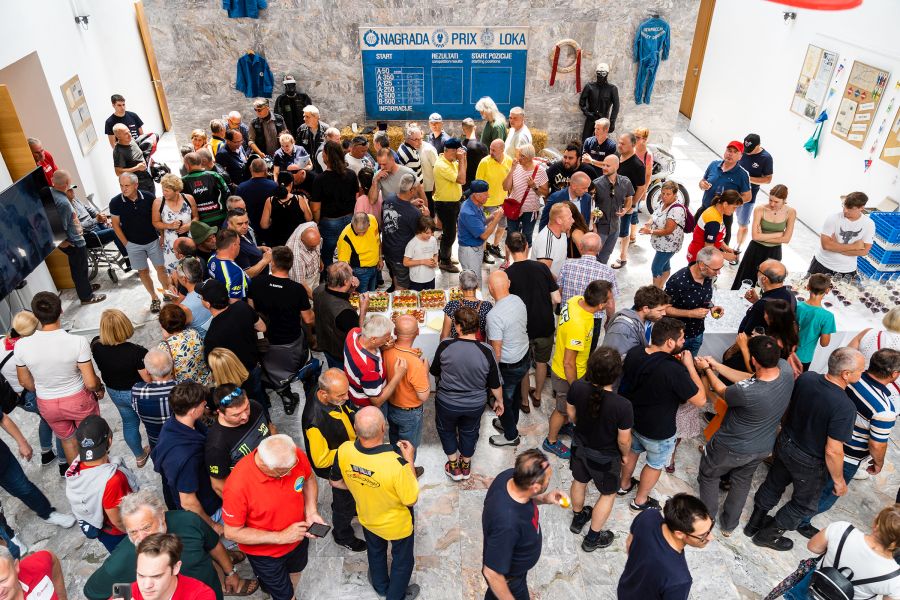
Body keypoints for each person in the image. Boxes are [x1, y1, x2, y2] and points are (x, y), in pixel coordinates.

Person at [746, 348, 864, 551]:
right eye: (861, 370)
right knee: (804, 504)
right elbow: (833, 450)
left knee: (773, 483)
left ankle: (753, 524)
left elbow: (788, 407)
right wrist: (838, 480)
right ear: (846, 374)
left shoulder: (807, 378)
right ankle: (767, 536)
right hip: (809, 459)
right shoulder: (845, 407)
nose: (863, 373)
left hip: (786, 442)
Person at [694, 335, 794, 536]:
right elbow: (749, 378)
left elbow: (722, 390)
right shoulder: (785, 369)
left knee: (709, 475)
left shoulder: (747, 393)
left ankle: (708, 520)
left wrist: (706, 369)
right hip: (762, 447)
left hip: (731, 446)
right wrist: (717, 366)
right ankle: (729, 526)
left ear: (753, 360)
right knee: (742, 481)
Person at [797, 348, 900, 537]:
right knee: (828, 493)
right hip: (846, 455)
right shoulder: (884, 408)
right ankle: (801, 520)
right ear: (894, 374)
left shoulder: (850, 377)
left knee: (815, 482)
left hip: (820, 438)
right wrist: (878, 462)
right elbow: (877, 444)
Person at [84, 490, 252, 600]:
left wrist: (230, 573)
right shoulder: (121, 559)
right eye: (133, 532)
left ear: (161, 517)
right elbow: (94, 591)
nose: (141, 538)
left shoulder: (188, 521)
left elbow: (213, 545)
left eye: (146, 527)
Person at [331, 407, 420, 600]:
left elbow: (335, 482)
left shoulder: (344, 450)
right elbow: (411, 499)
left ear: (355, 428)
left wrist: (361, 486)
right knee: (402, 561)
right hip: (398, 526)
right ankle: (395, 596)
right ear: (383, 427)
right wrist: (409, 460)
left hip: (368, 517)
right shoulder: (397, 464)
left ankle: (380, 586)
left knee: (376, 552)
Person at [222, 433, 324, 600]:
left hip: (298, 539)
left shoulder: (291, 456)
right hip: (267, 555)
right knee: (284, 595)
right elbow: (232, 532)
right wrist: (281, 537)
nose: (291, 473)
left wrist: (311, 511)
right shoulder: (237, 487)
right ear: (265, 465)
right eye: (284, 472)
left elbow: (309, 479)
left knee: (295, 572)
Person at [617, 317, 705, 511]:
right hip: (659, 429)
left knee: (632, 452)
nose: (684, 342)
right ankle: (640, 501)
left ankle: (623, 485)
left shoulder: (635, 352)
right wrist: (690, 367)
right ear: (670, 342)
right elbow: (700, 400)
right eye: (681, 339)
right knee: (654, 464)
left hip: (633, 419)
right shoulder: (674, 369)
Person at [14, 292, 103, 465]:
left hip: (47, 404)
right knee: (92, 439)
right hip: (77, 399)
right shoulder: (77, 341)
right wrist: (100, 387)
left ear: (36, 316)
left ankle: (78, 477)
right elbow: (91, 383)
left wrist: (44, 388)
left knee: (68, 442)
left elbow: (24, 381)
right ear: (61, 310)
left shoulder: (21, 345)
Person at [566, 348, 634, 551]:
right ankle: (592, 539)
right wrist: (625, 455)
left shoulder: (577, 387)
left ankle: (578, 518)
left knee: (579, 481)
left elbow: (571, 414)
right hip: (605, 458)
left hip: (580, 447)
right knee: (608, 494)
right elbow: (624, 440)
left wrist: (581, 425)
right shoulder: (623, 405)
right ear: (617, 374)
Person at [481, 449, 567, 600]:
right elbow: (491, 573)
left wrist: (545, 498)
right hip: (510, 582)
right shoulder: (507, 523)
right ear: (535, 487)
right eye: (548, 479)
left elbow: (526, 495)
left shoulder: (509, 477)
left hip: (518, 572)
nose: (549, 481)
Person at [544, 280, 615, 459]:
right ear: (601, 305)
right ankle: (551, 441)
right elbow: (569, 362)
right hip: (565, 374)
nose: (611, 301)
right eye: (609, 299)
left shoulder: (576, 300)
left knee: (567, 409)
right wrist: (576, 386)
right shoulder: (578, 325)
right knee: (562, 410)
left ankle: (565, 426)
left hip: (570, 366)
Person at [431, 307, 503, 480]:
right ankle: (466, 465)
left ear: (457, 326)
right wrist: (499, 401)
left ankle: (453, 466)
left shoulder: (445, 345)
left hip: (447, 402)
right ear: (477, 327)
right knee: (470, 431)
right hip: (475, 404)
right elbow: (494, 383)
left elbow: (435, 371)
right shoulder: (487, 350)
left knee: (446, 430)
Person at [300, 369, 367, 552]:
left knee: (350, 496)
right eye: (341, 395)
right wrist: (350, 449)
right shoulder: (314, 423)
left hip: (347, 454)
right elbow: (321, 461)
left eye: (346, 391)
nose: (347, 397)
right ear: (324, 394)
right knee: (343, 502)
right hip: (338, 469)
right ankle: (342, 535)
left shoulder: (327, 394)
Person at [782, 505, 900, 600]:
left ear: (876, 524)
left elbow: (813, 547)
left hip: (810, 588)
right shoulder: (894, 577)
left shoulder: (842, 530)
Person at [152, 382, 222, 534]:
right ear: (193, 411)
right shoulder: (186, 456)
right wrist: (213, 526)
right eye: (203, 404)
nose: (205, 405)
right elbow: (188, 502)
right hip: (209, 511)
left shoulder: (175, 423)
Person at [616, 494, 713, 599]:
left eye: (711, 527)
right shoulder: (679, 579)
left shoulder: (648, 515)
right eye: (703, 535)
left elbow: (629, 543)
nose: (711, 537)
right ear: (679, 534)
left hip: (624, 590)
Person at [505, 232, 560, 414]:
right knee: (542, 362)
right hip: (545, 325)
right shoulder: (542, 268)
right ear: (527, 246)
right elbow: (557, 298)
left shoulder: (507, 275)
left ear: (508, 249)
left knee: (524, 366)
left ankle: (524, 402)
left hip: (522, 329)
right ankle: (537, 396)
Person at [65, 416, 138, 552]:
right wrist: (136, 535)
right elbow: (117, 521)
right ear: (109, 440)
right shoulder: (113, 480)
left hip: (102, 530)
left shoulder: (77, 464)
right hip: (118, 534)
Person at [1, 312, 64, 468]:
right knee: (60, 423)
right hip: (30, 394)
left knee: (46, 419)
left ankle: (47, 453)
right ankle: (65, 464)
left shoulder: (2, 342)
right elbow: (34, 379)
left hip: (16, 397)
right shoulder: (24, 352)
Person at [91, 310, 150, 466]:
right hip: (137, 393)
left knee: (129, 423)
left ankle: (139, 457)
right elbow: (147, 378)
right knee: (150, 423)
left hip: (114, 392)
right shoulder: (137, 352)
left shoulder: (96, 346)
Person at [110, 173, 170, 313]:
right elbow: (115, 225)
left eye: (127, 185)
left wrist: (162, 236)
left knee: (161, 269)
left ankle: (167, 293)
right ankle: (154, 298)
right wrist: (126, 244)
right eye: (121, 185)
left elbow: (159, 218)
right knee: (143, 271)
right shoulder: (115, 202)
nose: (123, 189)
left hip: (153, 240)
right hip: (133, 244)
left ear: (136, 185)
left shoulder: (149, 197)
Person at [200, 280, 267, 406]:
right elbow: (262, 328)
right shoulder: (242, 306)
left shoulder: (211, 336)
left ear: (208, 304)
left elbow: (213, 367)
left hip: (235, 379)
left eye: (201, 297)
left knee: (244, 405)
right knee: (259, 399)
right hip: (254, 366)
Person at [486, 271, 530, 447]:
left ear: (490, 289)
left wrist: (492, 377)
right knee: (515, 396)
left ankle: (511, 436)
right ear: (509, 283)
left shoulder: (494, 315)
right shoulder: (518, 300)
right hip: (524, 356)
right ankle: (510, 423)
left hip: (508, 365)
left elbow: (496, 352)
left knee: (502, 400)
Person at [205, 384, 273, 498]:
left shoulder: (255, 406)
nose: (245, 416)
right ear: (220, 412)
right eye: (236, 414)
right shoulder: (216, 445)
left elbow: (270, 427)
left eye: (246, 408)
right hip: (254, 494)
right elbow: (218, 485)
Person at [48, 171, 106, 305]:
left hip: (72, 240)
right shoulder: (63, 203)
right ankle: (86, 296)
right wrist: (62, 242)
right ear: (67, 184)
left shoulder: (51, 193)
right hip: (74, 242)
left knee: (78, 269)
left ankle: (84, 288)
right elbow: (60, 226)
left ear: (52, 181)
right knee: (81, 269)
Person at [557, 233, 619, 352]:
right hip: (592, 320)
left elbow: (558, 293)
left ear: (580, 247)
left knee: (564, 350)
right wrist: (609, 320)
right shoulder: (607, 272)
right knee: (586, 353)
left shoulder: (566, 265)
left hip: (568, 316)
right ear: (599, 248)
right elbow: (610, 303)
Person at [382, 316, 430, 461]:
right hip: (409, 413)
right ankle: (408, 471)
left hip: (391, 407)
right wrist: (425, 371)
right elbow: (423, 396)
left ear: (395, 332)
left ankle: (395, 466)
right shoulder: (416, 364)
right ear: (418, 332)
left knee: (395, 441)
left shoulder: (385, 350)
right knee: (408, 448)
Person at [731, 185, 795, 289]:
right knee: (745, 279)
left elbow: (786, 239)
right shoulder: (760, 209)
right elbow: (755, 237)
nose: (772, 204)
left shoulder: (791, 212)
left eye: (776, 202)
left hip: (774, 252)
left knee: (768, 284)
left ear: (784, 200)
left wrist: (762, 236)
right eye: (770, 200)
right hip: (755, 250)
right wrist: (778, 234)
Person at [664, 246, 725, 355]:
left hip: (698, 333)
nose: (718, 273)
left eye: (721, 268)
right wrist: (690, 313)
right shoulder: (678, 281)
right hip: (678, 337)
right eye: (716, 269)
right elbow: (664, 309)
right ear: (702, 265)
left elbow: (704, 298)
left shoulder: (708, 276)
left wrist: (711, 307)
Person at [248, 246, 313, 346]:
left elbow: (251, 310)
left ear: (272, 262)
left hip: (263, 339)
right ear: (291, 264)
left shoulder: (255, 282)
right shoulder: (297, 289)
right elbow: (308, 319)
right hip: (289, 341)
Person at [312, 141, 359, 271]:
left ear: (327, 156)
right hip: (349, 218)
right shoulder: (351, 174)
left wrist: (316, 222)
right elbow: (356, 197)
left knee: (327, 253)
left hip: (330, 221)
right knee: (350, 250)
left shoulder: (320, 179)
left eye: (323, 153)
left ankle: (330, 278)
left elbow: (315, 207)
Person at [343, 314, 407, 409]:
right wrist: (398, 375)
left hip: (355, 391)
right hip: (367, 406)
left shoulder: (353, 333)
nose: (389, 339)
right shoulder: (369, 369)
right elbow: (377, 402)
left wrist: (382, 346)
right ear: (373, 339)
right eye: (387, 337)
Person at [131, 533, 216, 599]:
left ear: (176, 568)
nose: (147, 585)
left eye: (156, 576)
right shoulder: (130, 592)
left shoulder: (200, 595)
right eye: (141, 575)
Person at [809, 191, 875, 277]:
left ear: (861, 208)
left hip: (847, 270)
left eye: (850, 209)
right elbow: (826, 245)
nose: (845, 211)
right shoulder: (833, 218)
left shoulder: (869, 224)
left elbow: (864, 251)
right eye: (844, 206)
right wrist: (854, 246)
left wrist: (835, 245)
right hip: (822, 263)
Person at [698, 140, 751, 246]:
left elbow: (748, 196)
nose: (730, 154)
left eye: (735, 152)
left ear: (740, 156)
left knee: (719, 245)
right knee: (698, 240)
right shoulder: (713, 165)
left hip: (724, 216)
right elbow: (702, 181)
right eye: (729, 150)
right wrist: (702, 184)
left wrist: (732, 203)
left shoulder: (742, 174)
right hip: (705, 210)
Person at [314, 262, 365, 368]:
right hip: (341, 354)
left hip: (325, 343)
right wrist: (363, 309)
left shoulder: (318, 290)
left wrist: (351, 289)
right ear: (346, 281)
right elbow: (358, 337)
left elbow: (337, 296)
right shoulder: (345, 312)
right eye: (352, 275)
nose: (353, 277)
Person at [381, 173, 425, 291]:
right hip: (401, 255)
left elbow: (400, 208)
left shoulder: (389, 198)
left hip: (387, 250)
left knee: (396, 278)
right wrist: (425, 216)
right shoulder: (414, 213)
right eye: (416, 187)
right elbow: (421, 235)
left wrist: (410, 204)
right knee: (402, 287)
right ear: (411, 190)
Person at [639, 180, 686, 288]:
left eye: (668, 194)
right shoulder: (661, 202)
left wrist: (650, 231)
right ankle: (661, 287)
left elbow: (668, 230)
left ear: (675, 194)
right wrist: (648, 223)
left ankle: (656, 291)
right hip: (661, 243)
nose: (664, 196)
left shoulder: (676, 210)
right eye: (663, 193)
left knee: (656, 268)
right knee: (665, 266)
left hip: (669, 245)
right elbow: (654, 215)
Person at [602, 285, 670, 358]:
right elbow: (611, 359)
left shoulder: (648, 320)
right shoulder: (622, 328)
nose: (664, 313)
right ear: (646, 309)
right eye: (660, 310)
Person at [612, 132, 648, 269]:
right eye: (619, 142)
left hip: (626, 204)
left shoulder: (637, 165)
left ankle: (623, 257)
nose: (619, 145)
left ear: (633, 145)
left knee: (623, 232)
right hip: (612, 200)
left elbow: (641, 187)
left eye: (623, 144)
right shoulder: (617, 156)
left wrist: (632, 205)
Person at [457, 179, 504, 283]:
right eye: (486, 194)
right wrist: (496, 220)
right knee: (472, 282)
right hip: (469, 252)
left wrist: (492, 217)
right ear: (476, 196)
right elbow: (484, 235)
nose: (488, 196)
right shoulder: (468, 212)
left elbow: (480, 223)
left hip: (475, 249)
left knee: (476, 279)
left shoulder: (476, 204)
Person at [502, 144, 548, 247]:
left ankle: (524, 257)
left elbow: (545, 193)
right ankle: (508, 257)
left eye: (522, 156)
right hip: (513, 207)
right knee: (511, 237)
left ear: (530, 157)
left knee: (526, 237)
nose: (519, 158)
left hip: (530, 211)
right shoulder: (516, 167)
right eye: (519, 155)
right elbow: (505, 187)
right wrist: (512, 170)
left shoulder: (540, 171)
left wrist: (534, 186)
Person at [592, 155, 634, 264]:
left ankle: (601, 273)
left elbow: (629, 198)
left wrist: (625, 209)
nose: (604, 168)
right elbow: (590, 207)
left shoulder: (626, 182)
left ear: (617, 166)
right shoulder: (596, 184)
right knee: (593, 257)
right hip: (600, 228)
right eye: (603, 165)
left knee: (606, 255)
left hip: (615, 228)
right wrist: (593, 227)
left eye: (608, 166)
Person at [735, 133, 774, 250]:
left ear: (758, 145)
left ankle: (737, 248)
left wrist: (747, 178)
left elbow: (768, 179)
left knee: (742, 225)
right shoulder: (742, 150)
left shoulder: (766, 158)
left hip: (748, 197)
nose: (747, 152)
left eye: (750, 150)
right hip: (732, 190)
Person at [152, 174, 198, 273]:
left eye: (167, 191)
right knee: (174, 273)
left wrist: (189, 225)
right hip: (171, 245)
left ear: (177, 191)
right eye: (163, 190)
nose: (163, 193)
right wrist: (169, 226)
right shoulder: (158, 202)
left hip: (189, 243)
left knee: (192, 272)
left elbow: (196, 217)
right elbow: (155, 222)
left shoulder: (189, 198)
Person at [475, 139, 513, 259]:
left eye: (494, 150)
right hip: (488, 203)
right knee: (487, 229)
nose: (490, 152)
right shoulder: (484, 162)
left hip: (503, 202)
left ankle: (495, 246)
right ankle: (484, 251)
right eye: (490, 149)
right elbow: (477, 183)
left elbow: (511, 181)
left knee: (502, 227)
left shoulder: (509, 161)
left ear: (502, 150)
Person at [433, 138, 467, 273]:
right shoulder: (442, 165)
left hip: (452, 203)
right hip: (446, 205)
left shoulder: (450, 161)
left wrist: (462, 159)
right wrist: (462, 160)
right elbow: (462, 179)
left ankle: (445, 254)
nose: (459, 154)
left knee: (449, 233)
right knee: (450, 235)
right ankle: (445, 261)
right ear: (451, 151)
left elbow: (462, 172)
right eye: (457, 151)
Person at [737, 259, 796, 335]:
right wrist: (756, 301)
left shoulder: (761, 306)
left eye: (758, 270)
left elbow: (746, 334)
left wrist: (758, 304)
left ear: (764, 279)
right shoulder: (790, 294)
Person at [132, 349, 176, 449]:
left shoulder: (137, 391)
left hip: (156, 443)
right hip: (181, 442)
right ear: (172, 365)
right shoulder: (184, 389)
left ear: (147, 371)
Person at [157, 304, 211, 385]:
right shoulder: (193, 332)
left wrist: (165, 337)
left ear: (162, 325)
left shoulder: (163, 347)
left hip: (187, 388)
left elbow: (164, 373)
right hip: (205, 380)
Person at [686, 190, 741, 264]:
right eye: (734, 207)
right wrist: (725, 256)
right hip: (699, 258)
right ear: (725, 204)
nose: (735, 210)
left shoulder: (716, 210)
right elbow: (708, 248)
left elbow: (717, 237)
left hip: (703, 256)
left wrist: (726, 248)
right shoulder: (713, 220)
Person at [795, 274, 836, 370]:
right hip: (804, 356)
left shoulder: (797, 306)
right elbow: (824, 343)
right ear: (827, 290)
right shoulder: (827, 316)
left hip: (787, 351)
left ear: (807, 287)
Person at [440, 270, 493, 340]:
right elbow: (491, 334)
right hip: (478, 345)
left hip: (456, 344)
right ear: (477, 285)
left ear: (460, 287)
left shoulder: (452, 305)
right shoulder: (487, 306)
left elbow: (444, 335)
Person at [181, 152, 230, 227]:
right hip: (220, 218)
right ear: (200, 162)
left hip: (199, 222)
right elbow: (227, 194)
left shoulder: (183, 181)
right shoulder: (214, 175)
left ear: (187, 165)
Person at [336, 212, 381, 292]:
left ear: (369, 224)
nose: (361, 234)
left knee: (372, 294)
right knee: (361, 296)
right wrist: (351, 277)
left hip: (374, 267)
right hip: (360, 271)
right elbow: (343, 263)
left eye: (364, 231)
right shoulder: (345, 237)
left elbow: (378, 241)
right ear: (352, 224)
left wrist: (380, 258)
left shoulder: (373, 220)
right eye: (358, 232)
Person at [0, 547, 68, 600]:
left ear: (16, 567)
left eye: (2, 580)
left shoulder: (36, 566)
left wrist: (61, 596)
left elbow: (50, 556)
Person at [111, 123, 156, 197]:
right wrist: (137, 168)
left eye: (129, 132)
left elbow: (139, 153)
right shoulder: (118, 151)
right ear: (118, 136)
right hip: (137, 184)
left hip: (147, 178)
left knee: (153, 199)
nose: (129, 135)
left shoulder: (131, 140)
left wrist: (149, 159)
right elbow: (118, 172)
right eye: (125, 134)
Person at [531, 202, 573, 278]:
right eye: (569, 218)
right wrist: (559, 283)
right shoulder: (546, 240)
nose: (573, 220)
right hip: (549, 284)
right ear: (559, 220)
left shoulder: (563, 234)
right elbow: (544, 272)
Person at [206, 229, 251, 300]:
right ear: (234, 246)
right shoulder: (235, 273)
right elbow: (234, 303)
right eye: (239, 244)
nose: (239, 246)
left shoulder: (212, 258)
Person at [174, 257, 213, 337]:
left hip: (203, 341)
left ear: (184, 279)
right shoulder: (212, 284)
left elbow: (175, 329)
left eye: (176, 274)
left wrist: (174, 300)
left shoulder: (184, 307)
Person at [631, 127, 655, 242]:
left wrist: (644, 190)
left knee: (634, 210)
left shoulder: (648, 155)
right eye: (634, 136)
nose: (634, 139)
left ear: (644, 139)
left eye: (637, 137)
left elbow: (648, 174)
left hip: (638, 188)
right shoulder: (631, 149)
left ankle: (632, 235)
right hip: (627, 185)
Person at [286, 222, 323, 295]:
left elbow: (316, 248)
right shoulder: (296, 257)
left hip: (315, 271)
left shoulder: (312, 225)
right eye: (312, 247)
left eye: (317, 244)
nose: (315, 248)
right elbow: (301, 283)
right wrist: (315, 299)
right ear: (303, 241)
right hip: (306, 280)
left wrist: (320, 260)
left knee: (316, 289)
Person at [402, 215, 438, 291]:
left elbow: (435, 254)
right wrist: (423, 261)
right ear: (420, 230)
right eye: (427, 233)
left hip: (431, 277)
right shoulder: (412, 244)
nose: (430, 235)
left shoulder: (433, 240)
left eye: (432, 232)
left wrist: (435, 261)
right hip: (417, 280)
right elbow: (405, 262)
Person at [461, 117, 489, 189]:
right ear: (475, 128)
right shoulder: (482, 147)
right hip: (479, 185)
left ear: (463, 130)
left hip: (463, 185)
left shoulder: (460, 147)